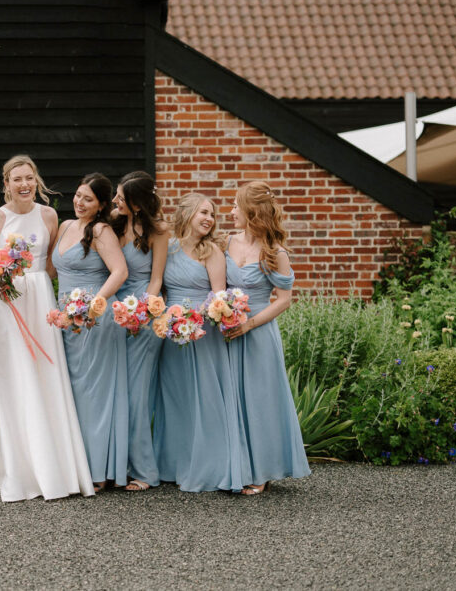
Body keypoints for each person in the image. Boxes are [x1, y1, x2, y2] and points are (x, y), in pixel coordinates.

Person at [0, 154, 94, 502]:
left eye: (29, 177)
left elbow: (50, 265)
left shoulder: (49, 216)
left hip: (39, 300)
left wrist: (40, 290)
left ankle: (52, 463)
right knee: (11, 375)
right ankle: (12, 465)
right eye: (17, 179)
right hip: (5, 304)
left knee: (43, 373)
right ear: (6, 183)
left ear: (37, 180)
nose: (24, 184)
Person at [154, 193, 250, 492]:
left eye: (212, 214)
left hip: (204, 333)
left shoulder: (212, 252)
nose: (209, 218)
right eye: (203, 213)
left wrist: (197, 319)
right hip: (172, 333)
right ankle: (176, 464)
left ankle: (211, 467)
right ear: (187, 214)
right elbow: (163, 291)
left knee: (206, 398)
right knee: (176, 399)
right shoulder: (167, 248)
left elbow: (218, 297)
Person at [224, 181, 310, 495]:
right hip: (228, 331)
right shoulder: (226, 242)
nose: (231, 212)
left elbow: (284, 300)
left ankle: (261, 472)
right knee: (232, 399)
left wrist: (249, 325)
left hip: (258, 333)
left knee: (259, 401)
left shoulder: (275, 252)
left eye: (236, 206)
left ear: (252, 212)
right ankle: (234, 466)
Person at [52, 173, 129, 490]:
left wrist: (94, 304)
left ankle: (97, 470)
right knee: (69, 392)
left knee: (92, 396)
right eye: (78, 195)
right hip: (64, 322)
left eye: (88, 199)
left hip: (94, 321)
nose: (79, 202)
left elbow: (120, 271)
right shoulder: (65, 226)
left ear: (99, 205)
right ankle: (73, 465)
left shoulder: (101, 231)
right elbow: (50, 270)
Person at [111, 171, 169, 491]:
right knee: (118, 391)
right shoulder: (114, 224)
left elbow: (156, 279)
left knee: (137, 393)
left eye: (121, 197)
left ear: (136, 204)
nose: (115, 201)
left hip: (146, 317)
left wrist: (143, 313)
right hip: (115, 314)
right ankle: (118, 465)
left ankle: (145, 471)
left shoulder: (158, 231)